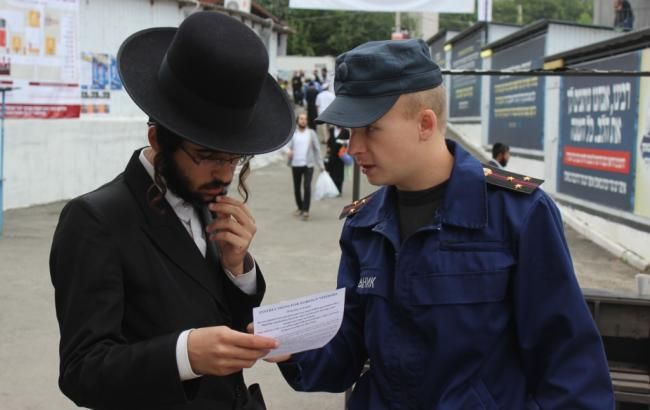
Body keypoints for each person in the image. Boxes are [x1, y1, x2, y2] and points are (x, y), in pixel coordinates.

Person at [274, 39, 613, 409]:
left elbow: (570, 368)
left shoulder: (517, 215)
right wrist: (288, 346)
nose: (353, 147)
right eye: (349, 131)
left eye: (369, 129)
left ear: (425, 123)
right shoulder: (364, 224)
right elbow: (347, 349)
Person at [49, 12, 295, 410]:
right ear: (157, 139)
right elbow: (81, 370)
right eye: (209, 156)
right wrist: (183, 355)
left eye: (236, 159)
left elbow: (223, 316)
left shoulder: (207, 200)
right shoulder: (96, 219)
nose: (225, 174)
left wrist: (239, 271)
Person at [287, 112, 324, 220]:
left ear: (307, 121)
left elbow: (317, 149)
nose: (303, 121)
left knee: (307, 186)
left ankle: (306, 210)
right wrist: (289, 151)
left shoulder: (311, 133)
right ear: (298, 121)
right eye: (301, 119)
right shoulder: (293, 134)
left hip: (308, 165)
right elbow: (287, 146)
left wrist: (321, 164)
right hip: (295, 164)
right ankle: (300, 207)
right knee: (297, 187)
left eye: (305, 119)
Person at [325, 126, 350, 195]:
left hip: (341, 155)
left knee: (339, 173)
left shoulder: (346, 131)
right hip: (332, 155)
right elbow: (329, 140)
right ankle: (332, 189)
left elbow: (348, 143)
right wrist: (328, 148)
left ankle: (339, 190)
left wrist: (343, 142)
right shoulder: (331, 129)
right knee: (331, 172)